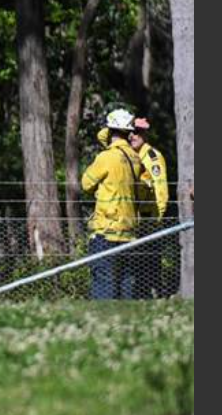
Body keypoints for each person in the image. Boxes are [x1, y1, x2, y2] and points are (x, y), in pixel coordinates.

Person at [97, 117, 171, 297]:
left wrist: (156, 220)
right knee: (134, 266)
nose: (133, 136)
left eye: (137, 132)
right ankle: (138, 299)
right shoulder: (127, 155)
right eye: (130, 132)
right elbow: (101, 137)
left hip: (148, 219)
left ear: (145, 134)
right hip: (132, 220)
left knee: (149, 265)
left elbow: (161, 190)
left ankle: (153, 299)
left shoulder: (152, 157)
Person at [82, 109, 144, 300]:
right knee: (125, 281)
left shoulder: (106, 157)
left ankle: (104, 324)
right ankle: (124, 323)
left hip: (106, 231)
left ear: (110, 131)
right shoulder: (134, 158)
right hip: (128, 232)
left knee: (104, 281)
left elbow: (86, 184)